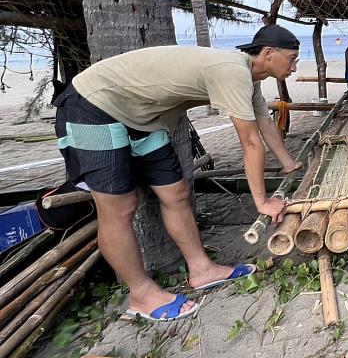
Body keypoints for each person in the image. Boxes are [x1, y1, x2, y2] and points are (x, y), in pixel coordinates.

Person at [53, 25, 303, 321]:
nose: (294, 66)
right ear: (268, 53)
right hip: (94, 106)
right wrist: (262, 203)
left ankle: (202, 270)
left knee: (176, 191)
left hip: (143, 117)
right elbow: (250, 142)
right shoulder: (231, 71)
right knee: (119, 207)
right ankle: (141, 294)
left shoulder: (250, 77)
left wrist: (289, 164)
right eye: (292, 58)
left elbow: (264, 123)